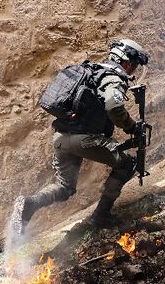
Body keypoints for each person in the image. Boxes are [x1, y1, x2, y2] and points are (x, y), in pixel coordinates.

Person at [11, 39, 149, 231]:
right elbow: (113, 104)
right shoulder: (112, 78)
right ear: (127, 62)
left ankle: (29, 204)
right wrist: (131, 127)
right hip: (83, 140)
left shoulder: (92, 70)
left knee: (64, 186)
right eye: (134, 65)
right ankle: (101, 216)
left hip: (61, 138)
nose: (133, 70)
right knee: (127, 165)